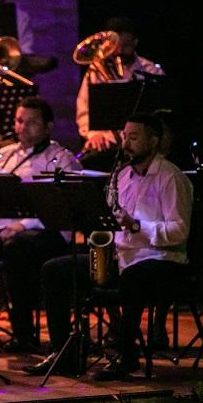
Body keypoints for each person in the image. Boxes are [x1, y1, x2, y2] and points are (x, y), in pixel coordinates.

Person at [31, 114, 192, 380]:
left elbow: (180, 231)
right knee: (55, 270)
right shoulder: (122, 175)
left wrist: (138, 225)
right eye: (124, 137)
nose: (125, 143)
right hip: (122, 255)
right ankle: (64, 352)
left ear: (153, 140)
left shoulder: (170, 177)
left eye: (134, 138)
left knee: (133, 277)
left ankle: (127, 357)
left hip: (161, 258)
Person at [0, 96, 81, 351]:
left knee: (17, 249)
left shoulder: (61, 158)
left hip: (45, 233)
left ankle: (24, 334)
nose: (23, 127)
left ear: (48, 126)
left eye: (32, 122)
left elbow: (61, 207)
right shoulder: (5, 155)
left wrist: (21, 225)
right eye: (20, 121)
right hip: (1, 230)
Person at [75, 17, 163, 170]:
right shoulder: (95, 71)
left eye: (126, 46)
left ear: (135, 42)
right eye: (116, 46)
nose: (120, 51)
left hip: (141, 143)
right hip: (106, 142)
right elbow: (83, 108)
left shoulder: (151, 70)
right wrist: (93, 134)